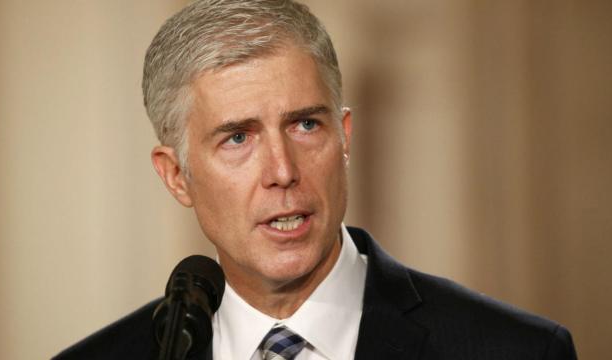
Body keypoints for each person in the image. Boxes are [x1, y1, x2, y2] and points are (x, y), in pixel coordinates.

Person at [54, 0, 577, 359]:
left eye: (306, 124)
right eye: (237, 138)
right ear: (177, 176)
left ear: (344, 136)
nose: (283, 172)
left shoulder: (517, 350)